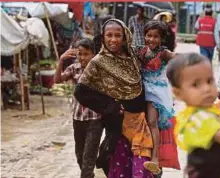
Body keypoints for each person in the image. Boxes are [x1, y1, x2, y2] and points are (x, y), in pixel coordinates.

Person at [74, 19, 154, 178]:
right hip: (118, 125)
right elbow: (81, 91)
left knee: (143, 167)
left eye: (118, 35)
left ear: (125, 37)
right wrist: (111, 106)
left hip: (141, 121)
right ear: (102, 37)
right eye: (109, 35)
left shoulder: (134, 56)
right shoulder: (99, 62)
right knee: (121, 168)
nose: (113, 39)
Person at [166, 53, 220, 178]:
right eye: (196, 85)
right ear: (178, 93)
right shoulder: (199, 118)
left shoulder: (206, 111)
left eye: (209, 81)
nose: (206, 88)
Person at [134, 20, 180, 176]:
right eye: (149, 36)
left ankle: (155, 159)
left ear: (162, 39)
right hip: (142, 91)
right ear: (144, 35)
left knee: (153, 122)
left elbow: (180, 61)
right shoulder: (140, 51)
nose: (152, 40)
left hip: (157, 93)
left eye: (156, 37)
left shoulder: (164, 53)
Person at [54, 38, 103, 178]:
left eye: (86, 54)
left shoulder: (100, 70)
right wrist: (61, 61)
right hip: (77, 118)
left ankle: (87, 175)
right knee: (79, 155)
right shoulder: (73, 68)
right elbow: (57, 80)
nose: (82, 58)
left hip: (95, 119)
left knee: (89, 156)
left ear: (93, 54)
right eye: (79, 54)